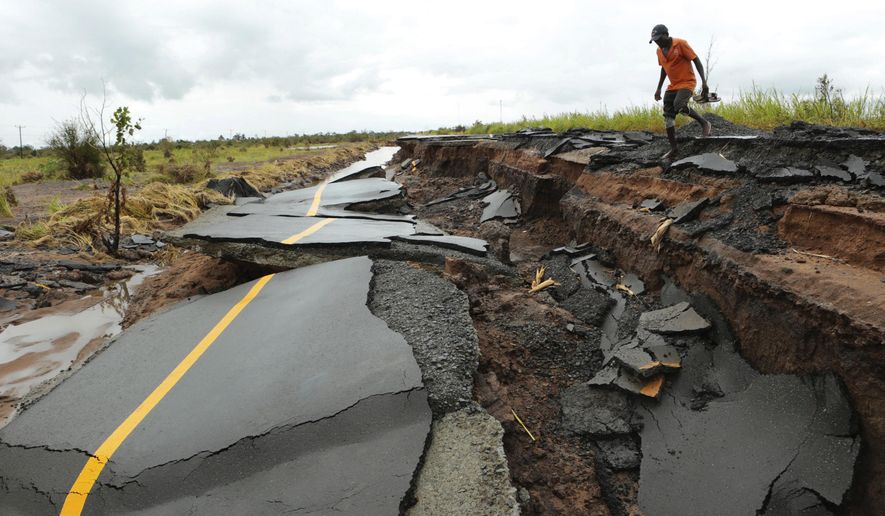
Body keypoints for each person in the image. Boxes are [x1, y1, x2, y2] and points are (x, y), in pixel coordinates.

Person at [650, 24, 712, 160]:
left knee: (679, 105)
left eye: (659, 39)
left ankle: (704, 122)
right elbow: (664, 68)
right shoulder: (659, 51)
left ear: (666, 35)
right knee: (668, 117)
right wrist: (659, 87)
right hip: (673, 86)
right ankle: (674, 149)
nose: (657, 42)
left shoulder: (681, 44)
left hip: (687, 82)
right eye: (655, 40)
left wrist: (704, 82)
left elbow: (697, 61)